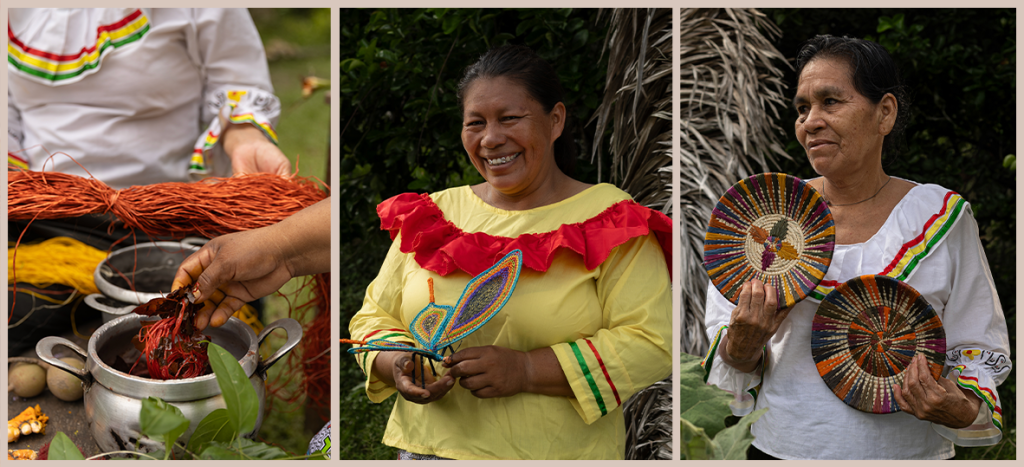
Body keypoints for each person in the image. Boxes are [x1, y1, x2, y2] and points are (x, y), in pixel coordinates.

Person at [346, 45, 672, 460]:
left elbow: (651, 342)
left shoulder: (609, 218)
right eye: (475, 123)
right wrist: (396, 364)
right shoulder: (433, 215)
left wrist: (527, 370)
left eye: (510, 119)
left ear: (555, 120)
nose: (490, 139)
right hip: (429, 451)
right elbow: (373, 316)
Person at [702, 35, 1011, 460]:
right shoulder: (766, 217)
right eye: (802, 108)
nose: (811, 121)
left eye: (831, 102)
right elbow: (727, 347)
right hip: (780, 450)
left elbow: (977, 340)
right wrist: (741, 343)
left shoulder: (940, 218)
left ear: (884, 113)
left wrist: (959, 408)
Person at [6, 8, 291, 354]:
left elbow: (235, 79)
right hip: (47, 221)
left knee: (207, 337)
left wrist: (244, 136)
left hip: (175, 221)